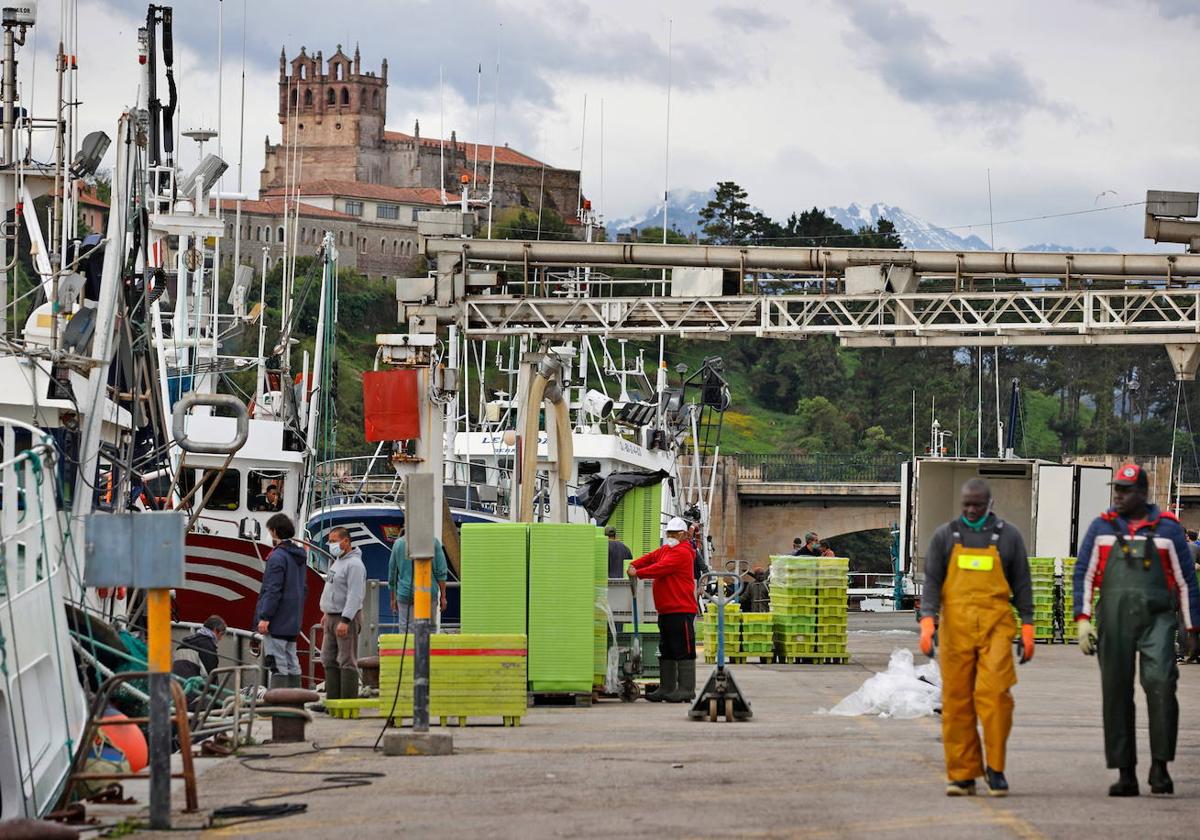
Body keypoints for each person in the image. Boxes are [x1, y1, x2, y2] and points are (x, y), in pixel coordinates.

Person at [1074, 463, 1200, 796]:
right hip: (1113, 619)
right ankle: (1125, 772)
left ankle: (1160, 767)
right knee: (1115, 692)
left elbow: (1187, 581)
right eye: (1117, 489)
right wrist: (1083, 619)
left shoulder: (1168, 530)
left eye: (1126, 490)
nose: (1119, 495)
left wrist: (1192, 627)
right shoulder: (1101, 527)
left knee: (1160, 683)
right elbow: (1083, 574)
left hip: (1157, 619)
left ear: (1143, 494)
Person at [919, 478, 1034, 797]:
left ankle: (995, 768)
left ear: (989, 504)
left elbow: (1022, 584)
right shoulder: (945, 535)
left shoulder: (1008, 536)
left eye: (977, 505)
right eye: (966, 504)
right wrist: (928, 621)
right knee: (956, 703)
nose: (971, 510)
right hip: (955, 628)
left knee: (996, 695)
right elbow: (932, 583)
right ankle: (962, 774)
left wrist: (1027, 626)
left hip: (996, 625)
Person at [628, 516, 698, 704]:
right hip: (666, 609)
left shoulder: (682, 552)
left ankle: (686, 689)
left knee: (683, 649)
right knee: (666, 648)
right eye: (669, 533)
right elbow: (652, 557)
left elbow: (661, 568)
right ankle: (667, 688)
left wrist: (639, 572)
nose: (671, 536)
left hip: (681, 609)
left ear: (683, 535)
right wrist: (635, 563)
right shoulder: (666, 549)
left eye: (674, 533)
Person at [254, 514, 308, 689]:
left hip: (277, 619)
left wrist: (265, 616)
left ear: (275, 531)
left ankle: (280, 704)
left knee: (276, 662)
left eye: (270, 531)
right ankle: (295, 699)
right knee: (292, 660)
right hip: (293, 618)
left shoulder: (278, 557)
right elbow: (303, 588)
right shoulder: (298, 557)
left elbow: (272, 589)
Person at [320, 526, 367, 702]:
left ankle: (347, 701)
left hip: (345, 618)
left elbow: (355, 595)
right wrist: (326, 612)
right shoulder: (338, 561)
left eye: (334, 541)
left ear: (346, 541)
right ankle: (332, 700)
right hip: (331, 616)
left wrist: (346, 620)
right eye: (330, 541)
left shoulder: (354, 565)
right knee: (328, 657)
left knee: (347, 659)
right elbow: (332, 587)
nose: (331, 545)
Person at [387, 523, 449, 632]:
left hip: (405, 594)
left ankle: (408, 649)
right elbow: (441, 572)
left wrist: (393, 598)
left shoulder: (398, 544)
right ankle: (426, 649)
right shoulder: (433, 542)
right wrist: (443, 596)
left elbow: (392, 574)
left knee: (406, 630)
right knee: (428, 630)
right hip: (428, 592)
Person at [172, 615, 226, 680]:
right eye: (221, 634)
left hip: (176, 686)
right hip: (193, 687)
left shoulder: (184, 643)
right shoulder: (207, 646)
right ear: (215, 630)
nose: (220, 638)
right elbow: (211, 676)